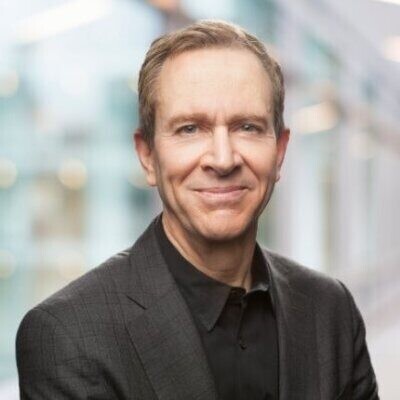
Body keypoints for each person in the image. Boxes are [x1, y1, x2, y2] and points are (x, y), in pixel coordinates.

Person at [16, 20, 379, 400]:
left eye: (247, 127)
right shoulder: (69, 336)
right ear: (148, 156)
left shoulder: (331, 310)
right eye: (190, 129)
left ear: (280, 152)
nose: (222, 159)